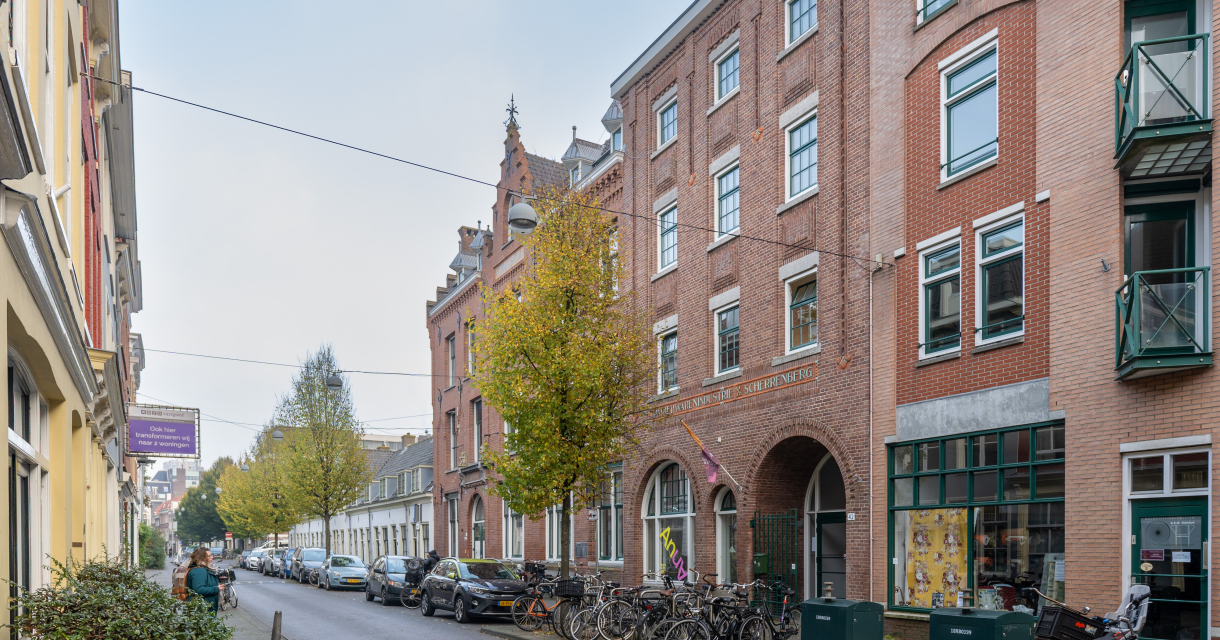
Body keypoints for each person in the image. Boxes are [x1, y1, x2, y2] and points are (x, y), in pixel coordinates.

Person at [185, 547, 221, 615]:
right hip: (202, 609)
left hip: (204, 607)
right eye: (209, 556)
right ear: (202, 558)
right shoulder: (199, 570)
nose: (212, 557)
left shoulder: (203, 569)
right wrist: (216, 589)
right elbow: (198, 589)